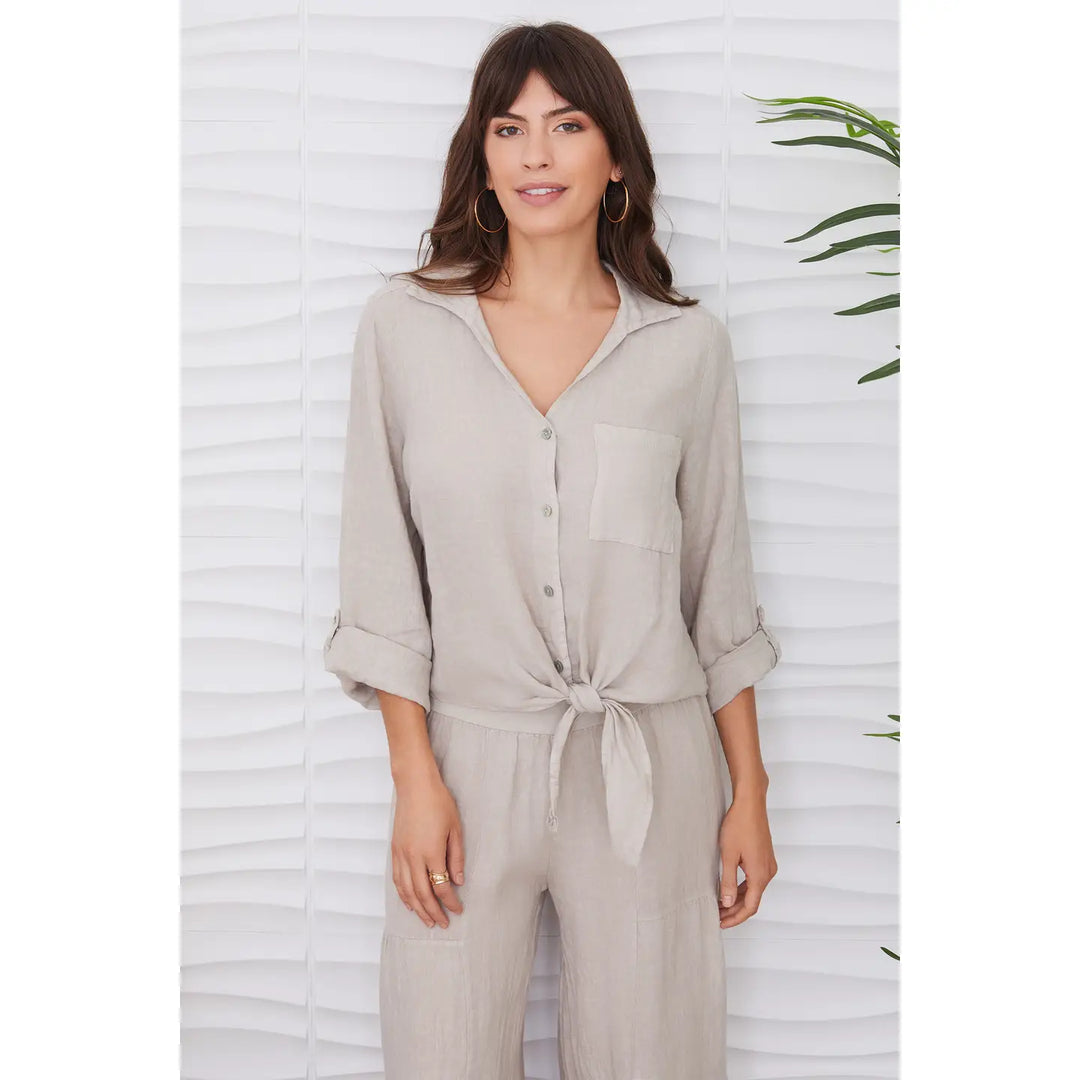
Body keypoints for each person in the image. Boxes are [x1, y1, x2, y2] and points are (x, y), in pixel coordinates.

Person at [323, 20, 782, 1080]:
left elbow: (718, 588)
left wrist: (749, 792)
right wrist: (415, 778)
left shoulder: (686, 346)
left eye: (568, 126)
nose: (537, 153)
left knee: (653, 1060)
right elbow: (381, 571)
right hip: (467, 757)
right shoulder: (404, 328)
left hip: (649, 764)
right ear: (481, 161)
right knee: (441, 1054)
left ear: (615, 157)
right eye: (509, 128)